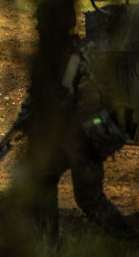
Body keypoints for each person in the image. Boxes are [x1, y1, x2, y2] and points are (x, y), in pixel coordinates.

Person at [26, 36, 139, 241]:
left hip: (84, 135)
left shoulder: (73, 56)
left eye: (43, 25)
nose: (39, 30)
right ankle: (48, 242)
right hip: (66, 133)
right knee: (44, 179)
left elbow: (68, 97)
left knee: (89, 198)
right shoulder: (54, 54)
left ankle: (129, 240)